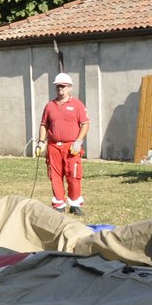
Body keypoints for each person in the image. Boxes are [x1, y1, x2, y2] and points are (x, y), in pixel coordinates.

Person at [37, 71, 90, 216]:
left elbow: (85, 124)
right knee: (55, 175)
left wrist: (78, 141)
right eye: (58, 87)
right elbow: (44, 125)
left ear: (69, 87)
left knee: (73, 175)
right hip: (53, 146)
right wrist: (41, 142)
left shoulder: (77, 105)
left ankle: (75, 204)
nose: (60, 89)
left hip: (71, 147)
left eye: (63, 86)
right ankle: (59, 203)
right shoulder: (50, 106)